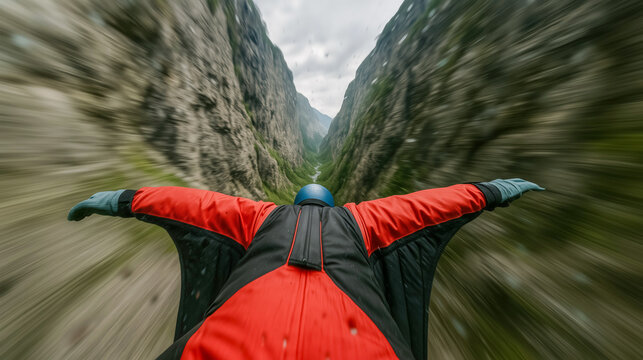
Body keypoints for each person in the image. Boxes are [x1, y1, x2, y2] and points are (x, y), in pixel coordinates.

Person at [68, 178, 544, 359]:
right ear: (332, 203)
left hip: (230, 341)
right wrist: (492, 191)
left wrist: (124, 200)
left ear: (295, 202)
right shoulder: (362, 221)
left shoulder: (260, 217)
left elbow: (191, 206)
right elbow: (430, 207)